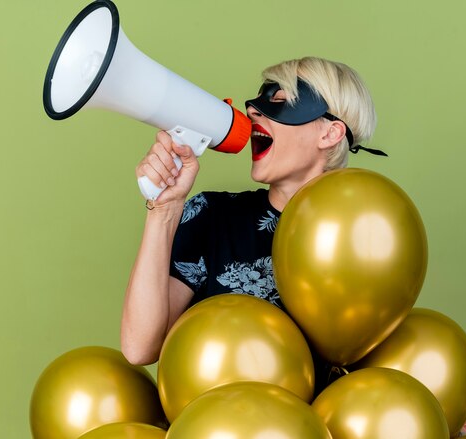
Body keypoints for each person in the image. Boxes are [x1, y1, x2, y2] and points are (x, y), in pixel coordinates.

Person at [121, 57, 381, 370]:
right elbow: (139, 349)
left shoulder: (364, 235)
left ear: (329, 134)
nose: (253, 109)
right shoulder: (213, 215)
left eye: (281, 101)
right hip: (210, 413)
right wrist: (164, 210)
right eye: (259, 98)